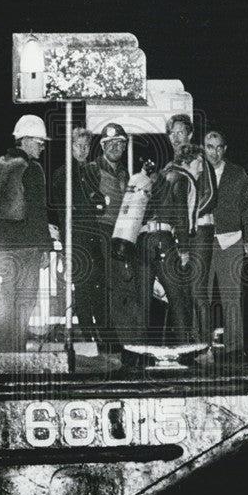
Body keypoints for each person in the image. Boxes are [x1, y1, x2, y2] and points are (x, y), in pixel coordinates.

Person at [0, 114, 52, 352]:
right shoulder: (32, 169)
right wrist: (46, 247)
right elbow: (37, 211)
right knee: (24, 302)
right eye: (39, 142)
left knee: (6, 300)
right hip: (27, 246)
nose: (42, 147)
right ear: (25, 140)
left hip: (3, 247)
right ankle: (15, 352)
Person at [136, 143, 204, 345]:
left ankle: (137, 351)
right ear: (187, 161)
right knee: (178, 297)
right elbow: (181, 214)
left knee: (143, 300)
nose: (202, 168)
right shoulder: (181, 178)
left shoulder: (159, 176)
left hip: (142, 239)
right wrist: (183, 249)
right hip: (162, 239)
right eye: (199, 163)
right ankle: (186, 347)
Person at [82, 123, 142, 350]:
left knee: (121, 286)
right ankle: (106, 343)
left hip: (121, 235)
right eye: (112, 143)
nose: (117, 147)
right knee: (103, 288)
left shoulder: (124, 173)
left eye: (121, 144)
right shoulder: (92, 169)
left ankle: (122, 342)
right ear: (103, 146)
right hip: (100, 234)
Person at [204, 129, 248, 363]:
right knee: (200, 296)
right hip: (202, 241)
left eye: (219, 147)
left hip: (232, 240)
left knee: (231, 296)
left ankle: (234, 349)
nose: (214, 152)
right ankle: (200, 347)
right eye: (209, 146)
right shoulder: (196, 171)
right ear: (203, 148)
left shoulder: (238, 173)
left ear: (224, 149)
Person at [166, 113, 217, 343]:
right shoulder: (172, 165)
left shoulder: (199, 159)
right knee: (184, 292)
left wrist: (192, 218)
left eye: (180, 133)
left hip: (200, 231)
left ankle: (205, 347)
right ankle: (191, 345)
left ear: (190, 134)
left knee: (198, 291)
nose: (176, 138)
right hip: (183, 235)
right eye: (172, 134)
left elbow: (212, 195)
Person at [51, 127, 105, 343]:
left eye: (85, 146)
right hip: (77, 238)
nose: (82, 150)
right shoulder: (63, 173)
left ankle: (100, 335)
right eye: (77, 145)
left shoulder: (90, 172)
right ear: (70, 147)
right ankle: (89, 335)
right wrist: (67, 246)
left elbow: (98, 202)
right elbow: (64, 210)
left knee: (97, 287)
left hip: (92, 237)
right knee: (83, 289)